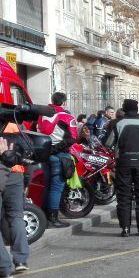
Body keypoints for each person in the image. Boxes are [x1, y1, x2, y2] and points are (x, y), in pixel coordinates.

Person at [104, 99, 139, 237]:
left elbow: (108, 144)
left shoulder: (118, 123)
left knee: (124, 195)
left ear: (124, 109)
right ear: (137, 108)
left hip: (123, 162)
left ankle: (125, 228)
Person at [36, 92, 78, 228]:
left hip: (44, 152)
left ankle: (44, 216)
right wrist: (55, 149)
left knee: (48, 185)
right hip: (59, 154)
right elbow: (72, 138)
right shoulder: (67, 117)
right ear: (64, 103)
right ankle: (53, 219)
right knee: (56, 187)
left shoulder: (42, 115)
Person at [0, 128, 30, 278]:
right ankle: (20, 260)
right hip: (15, 173)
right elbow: (26, 154)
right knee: (16, 217)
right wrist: (27, 179)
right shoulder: (14, 125)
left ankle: (4, 268)